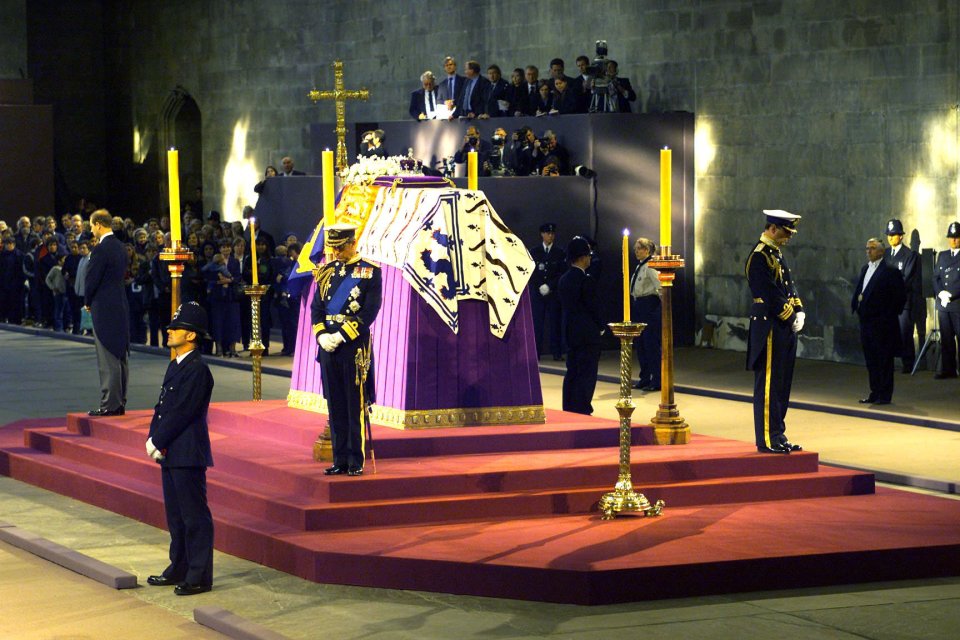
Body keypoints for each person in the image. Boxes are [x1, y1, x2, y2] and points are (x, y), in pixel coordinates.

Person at [145, 301, 215, 596]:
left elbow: (183, 412)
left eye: (177, 327)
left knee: (194, 516)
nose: (169, 330)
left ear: (192, 336)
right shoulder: (177, 366)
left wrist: (157, 440)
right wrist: (154, 438)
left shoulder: (197, 370)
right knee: (176, 516)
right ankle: (179, 566)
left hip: (187, 452)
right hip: (172, 451)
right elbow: (162, 408)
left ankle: (199, 574)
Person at [311, 224, 382, 476]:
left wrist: (342, 335)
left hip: (353, 347)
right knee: (336, 404)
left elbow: (369, 311)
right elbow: (316, 307)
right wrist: (321, 335)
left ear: (353, 242)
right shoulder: (326, 272)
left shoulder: (370, 272)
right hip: (328, 346)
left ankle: (354, 459)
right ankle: (339, 458)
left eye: (341, 247)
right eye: (334, 248)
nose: (337, 252)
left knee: (354, 404)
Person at [745, 209, 804, 454]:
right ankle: (767, 438)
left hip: (782, 326)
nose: (788, 236)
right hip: (770, 325)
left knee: (782, 382)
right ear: (772, 228)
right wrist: (790, 315)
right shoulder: (759, 256)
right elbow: (768, 293)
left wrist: (799, 309)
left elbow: (789, 286)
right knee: (769, 384)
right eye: (785, 231)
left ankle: (778, 433)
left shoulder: (776, 253)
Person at [84, 209, 130, 417]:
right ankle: (120, 401)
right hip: (120, 303)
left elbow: (92, 278)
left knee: (107, 355)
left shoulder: (101, 249)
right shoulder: (121, 247)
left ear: (99, 224)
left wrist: (87, 300)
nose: (91, 229)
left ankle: (109, 404)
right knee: (120, 353)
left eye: (92, 225)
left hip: (104, 306)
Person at [852, 238, 906, 405]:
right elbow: (860, 290)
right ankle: (874, 391)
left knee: (884, 360)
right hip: (866, 323)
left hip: (883, 324)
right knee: (871, 360)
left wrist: (887, 315)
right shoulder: (865, 269)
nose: (869, 251)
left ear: (881, 251)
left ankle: (885, 394)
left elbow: (900, 297)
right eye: (867, 248)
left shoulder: (890, 271)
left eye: (873, 248)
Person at [558, 236, 604, 414]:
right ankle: (582, 405)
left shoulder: (564, 279)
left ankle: (569, 405)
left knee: (572, 370)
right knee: (587, 372)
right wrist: (601, 326)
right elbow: (593, 307)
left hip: (570, 330)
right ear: (583, 257)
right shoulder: (586, 280)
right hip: (587, 333)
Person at [883, 218, 924, 373]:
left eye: (894, 234)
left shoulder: (909, 255)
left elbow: (906, 278)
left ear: (901, 236)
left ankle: (908, 363)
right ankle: (889, 362)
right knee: (887, 333)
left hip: (902, 302)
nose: (891, 237)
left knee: (904, 333)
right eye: (889, 234)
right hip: (887, 302)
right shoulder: (885, 254)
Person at [529, 223, 565, 361]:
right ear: (542, 234)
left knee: (555, 323)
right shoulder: (534, 251)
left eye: (552, 233)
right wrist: (540, 285)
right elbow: (531, 271)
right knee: (537, 323)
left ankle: (556, 352)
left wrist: (550, 286)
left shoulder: (559, 252)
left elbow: (561, 272)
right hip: (538, 294)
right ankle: (536, 352)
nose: (550, 236)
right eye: (548, 233)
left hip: (553, 293)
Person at [631, 237, 661, 391]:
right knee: (641, 344)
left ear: (647, 250)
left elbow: (660, 286)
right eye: (636, 248)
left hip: (649, 306)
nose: (636, 251)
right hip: (639, 306)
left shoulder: (650, 266)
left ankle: (656, 379)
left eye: (639, 248)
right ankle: (644, 377)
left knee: (651, 345)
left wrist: (661, 307)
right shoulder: (640, 266)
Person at [933, 221, 960, 379]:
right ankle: (948, 369)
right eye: (951, 237)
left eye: (956, 237)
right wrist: (941, 292)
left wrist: (951, 294)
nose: (954, 240)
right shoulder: (942, 256)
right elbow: (935, 277)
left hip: (957, 304)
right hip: (944, 305)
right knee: (946, 338)